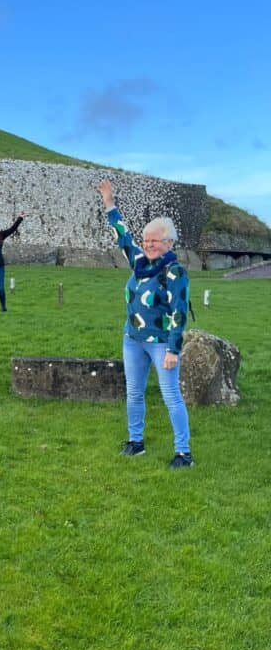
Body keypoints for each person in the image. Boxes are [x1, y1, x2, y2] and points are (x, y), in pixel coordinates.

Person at [98, 178, 194, 469]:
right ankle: (136, 442)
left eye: (156, 240)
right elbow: (122, 235)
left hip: (161, 343)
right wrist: (109, 203)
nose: (149, 244)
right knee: (134, 392)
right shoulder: (138, 260)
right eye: (147, 239)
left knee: (171, 397)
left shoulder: (175, 271)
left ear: (169, 244)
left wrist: (173, 351)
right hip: (133, 339)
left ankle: (183, 453)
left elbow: (179, 313)